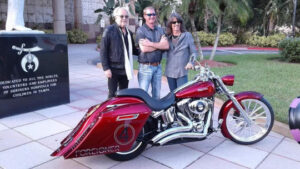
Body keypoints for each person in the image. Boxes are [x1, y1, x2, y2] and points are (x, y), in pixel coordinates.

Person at [100, 7, 139, 98]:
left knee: (123, 94)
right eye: (122, 16)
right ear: (116, 17)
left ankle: (120, 112)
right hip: (113, 70)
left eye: (126, 16)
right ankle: (109, 112)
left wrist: (146, 51)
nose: (124, 18)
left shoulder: (129, 33)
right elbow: (103, 51)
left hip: (126, 70)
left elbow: (133, 50)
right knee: (112, 95)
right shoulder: (109, 30)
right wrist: (106, 68)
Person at [136, 6, 169, 100]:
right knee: (143, 97)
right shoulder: (141, 30)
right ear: (144, 16)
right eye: (149, 14)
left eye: (154, 14)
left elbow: (166, 46)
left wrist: (150, 44)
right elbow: (144, 49)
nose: (152, 16)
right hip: (145, 68)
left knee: (156, 96)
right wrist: (159, 45)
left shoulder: (160, 30)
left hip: (158, 67)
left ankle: (154, 115)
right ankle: (144, 114)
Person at [165, 13, 197, 91]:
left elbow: (193, 52)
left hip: (182, 72)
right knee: (173, 97)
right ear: (170, 24)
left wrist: (191, 62)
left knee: (182, 97)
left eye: (178, 22)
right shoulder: (167, 38)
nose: (176, 24)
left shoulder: (187, 36)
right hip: (170, 72)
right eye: (174, 22)